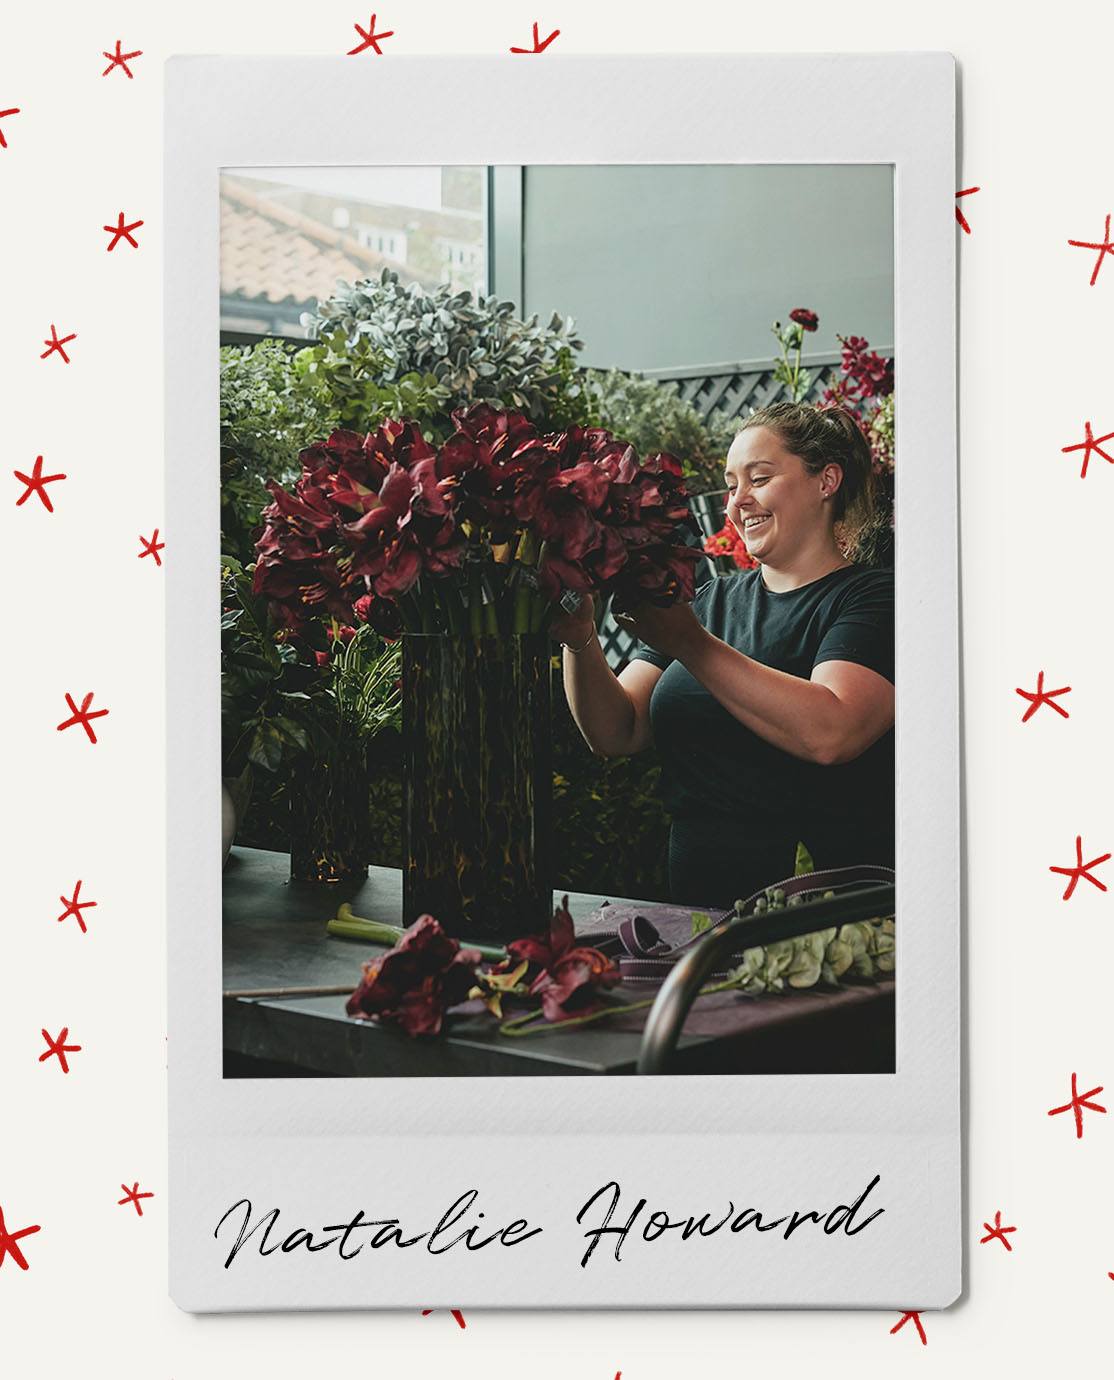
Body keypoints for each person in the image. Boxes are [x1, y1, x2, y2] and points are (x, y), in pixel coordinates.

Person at [549, 401, 895, 909]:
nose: (739, 502)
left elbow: (833, 732)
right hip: (697, 912)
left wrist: (691, 645)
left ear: (827, 481)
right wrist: (579, 635)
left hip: (822, 927)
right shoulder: (710, 603)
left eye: (759, 478)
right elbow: (617, 730)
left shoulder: (874, 598)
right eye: (733, 485)